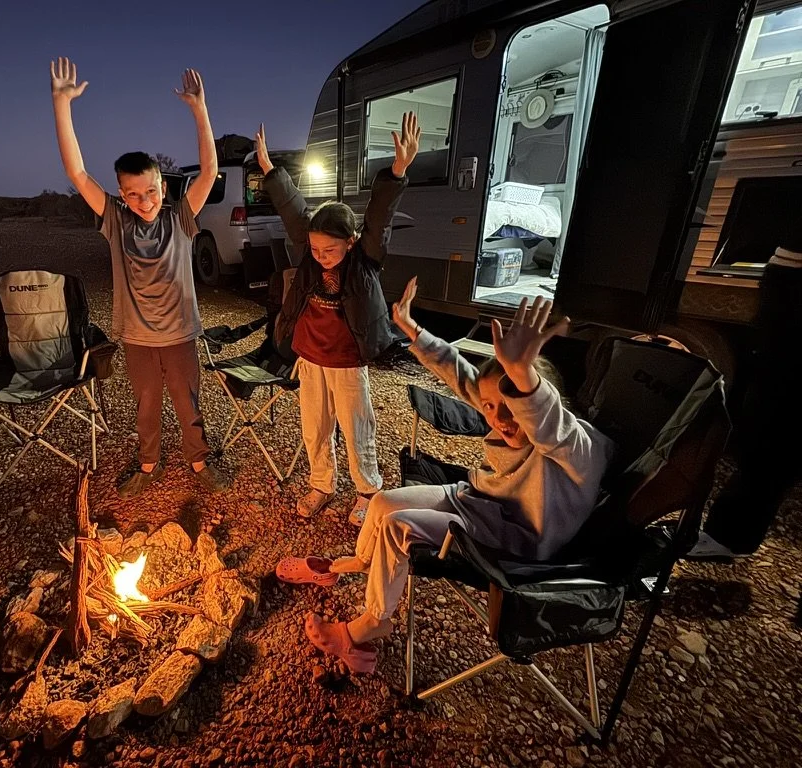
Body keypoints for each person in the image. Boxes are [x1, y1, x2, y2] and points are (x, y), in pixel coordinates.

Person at [277, 284, 616, 672]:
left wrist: (523, 373)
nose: (499, 418)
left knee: (397, 526)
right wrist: (412, 330)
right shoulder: (503, 414)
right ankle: (357, 562)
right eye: (489, 407)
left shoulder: (575, 445)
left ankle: (373, 623)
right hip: (477, 500)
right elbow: (460, 374)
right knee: (384, 501)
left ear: (538, 398)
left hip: (514, 536)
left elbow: (548, 423)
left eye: (512, 406)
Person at [50, 57, 227, 497]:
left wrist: (199, 109)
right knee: (146, 405)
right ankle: (148, 463)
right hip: (138, 338)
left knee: (188, 404)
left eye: (150, 191)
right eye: (132, 194)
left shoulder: (182, 218)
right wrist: (62, 105)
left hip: (181, 333)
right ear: (121, 194)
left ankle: (199, 461)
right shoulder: (114, 220)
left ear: (163, 189)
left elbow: (208, 172)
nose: (143, 200)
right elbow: (76, 173)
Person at [255, 114, 420, 523]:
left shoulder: (364, 262)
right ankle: (321, 485)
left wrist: (397, 171)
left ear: (349, 242)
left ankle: (367, 491)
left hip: (347, 362)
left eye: (329, 250)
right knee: (314, 428)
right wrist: (271, 172)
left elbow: (378, 218)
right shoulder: (310, 254)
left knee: (356, 428)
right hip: (310, 358)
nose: (320, 256)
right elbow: (294, 213)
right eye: (314, 249)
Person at [691, 222, 802, 558]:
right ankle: (731, 533)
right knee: (767, 420)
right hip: (788, 281)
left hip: (793, 289)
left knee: (776, 429)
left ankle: (730, 537)